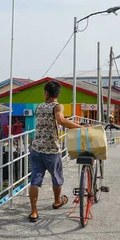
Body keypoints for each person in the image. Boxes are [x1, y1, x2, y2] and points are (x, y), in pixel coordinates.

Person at [28, 80, 82, 222]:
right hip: (51, 150)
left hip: (36, 148)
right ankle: (57, 201)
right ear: (57, 94)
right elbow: (61, 121)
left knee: (35, 180)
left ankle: (34, 212)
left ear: (46, 93)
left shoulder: (39, 107)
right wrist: (80, 127)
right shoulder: (58, 106)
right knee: (57, 178)